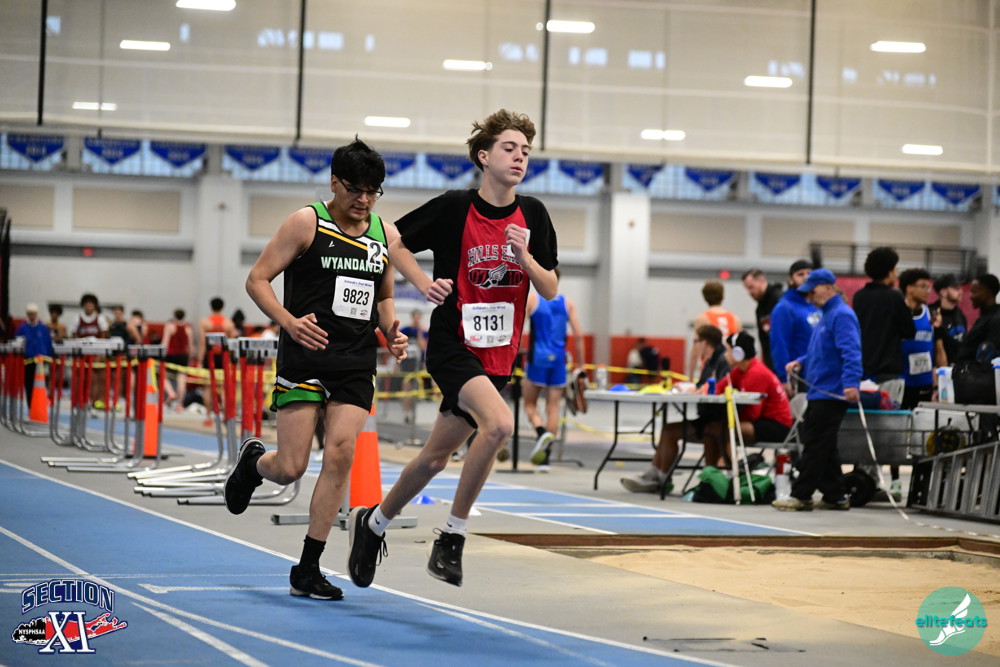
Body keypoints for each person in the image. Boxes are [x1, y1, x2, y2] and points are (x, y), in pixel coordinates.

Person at [347, 109, 559, 589]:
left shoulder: (534, 214)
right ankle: (452, 534)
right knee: (500, 424)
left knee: (434, 458)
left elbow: (549, 288)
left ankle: (372, 523)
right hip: (453, 342)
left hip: (499, 353)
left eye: (526, 151)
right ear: (483, 156)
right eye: (509, 148)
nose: (519, 157)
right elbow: (391, 239)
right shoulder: (454, 207)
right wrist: (423, 284)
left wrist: (525, 257)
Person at [224, 137, 407, 602]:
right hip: (305, 357)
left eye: (372, 191)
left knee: (341, 453)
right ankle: (253, 464)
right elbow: (257, 279)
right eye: (355, 189)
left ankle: (308, 567)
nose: (363, 200)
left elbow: (384, 294)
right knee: (290, 467)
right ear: (334, 182)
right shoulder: (307, 223)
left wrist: (391, 330)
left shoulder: (383, 234)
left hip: (355, 361)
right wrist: (288, 322)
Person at [774, 268, 862, 511]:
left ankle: (801, 495)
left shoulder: (842, 315)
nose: (810, 297)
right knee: (825, 445)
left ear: (828, 287)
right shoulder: (825, 315)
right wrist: (801, 361)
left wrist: (851, 382)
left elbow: (851, 351)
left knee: (815, 444)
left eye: (812, 292)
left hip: (832, 392)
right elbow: (820, 349)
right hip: (819, 390)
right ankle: (836, 495)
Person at [621, 324, 730, 493]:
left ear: (705, 343)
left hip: (715, 419)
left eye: (696, 341)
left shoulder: (722, 360)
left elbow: (718, 387)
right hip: (706, 417)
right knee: (668, 429)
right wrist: (690, 388)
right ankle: (655, 474)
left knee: (670, 432)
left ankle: (661, 479)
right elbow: (702, 386)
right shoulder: (709, 362)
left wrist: (700, 389)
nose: (694, 345)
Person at [524, 279, 585, 469]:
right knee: (553, 407)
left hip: (537, 359)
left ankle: (541, 432)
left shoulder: (532, 300)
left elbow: (517, 328)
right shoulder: (567, 303)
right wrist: (581, 365)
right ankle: (545, 459)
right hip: (558, 360)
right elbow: (579, 336)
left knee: (529, 404)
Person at [852, 247, 915, 407]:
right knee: (888, 418)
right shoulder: (895, 296)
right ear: (889, 271)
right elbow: (909, 331)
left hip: (863, 372)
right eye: (896, 268)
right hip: (888, 373)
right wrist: (907, 310)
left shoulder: (859, 296)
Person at [769, 259, 820, 390]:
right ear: (791, 280)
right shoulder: (784, 308)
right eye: (800, 274)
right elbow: (779, 344)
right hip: (798, 376)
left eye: (809, 273)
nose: (806, 278)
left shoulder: (817, 306)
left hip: (818, 374)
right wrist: (784, 377)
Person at [688, 280, 742, 379]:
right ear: (723, 297)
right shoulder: (735, 319)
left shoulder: (702, 319)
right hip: (731, 371)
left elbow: (695, 350)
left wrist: (690, 378)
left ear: (705, 298)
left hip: (711, 370)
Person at [741, 268, 783, 371]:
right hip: (771, 363)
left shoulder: (779, 301)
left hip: (783, 362)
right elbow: (764, 340)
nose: (749, 292)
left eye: (751, 287)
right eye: (747, 289)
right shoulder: (760, 309)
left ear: (761, 280)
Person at [71, 293, 109, 406]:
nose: (88, 306)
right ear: (83, 305)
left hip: (96, 352)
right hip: (82, 353)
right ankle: (80, 399)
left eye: (91, 304)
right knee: (80, 377)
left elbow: (104, 335)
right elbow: (73, 335)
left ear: (95, 306)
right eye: (86, 304)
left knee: (97, 378)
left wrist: (101, 353)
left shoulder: (100, 318)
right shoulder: (77, 318)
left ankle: (96, 401)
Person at [15, 303, 54, 407]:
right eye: (30, 314)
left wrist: (49, 358)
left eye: (34, 314)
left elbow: (48, 343)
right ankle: (30, 405)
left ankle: (41, 403)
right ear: (27, 314)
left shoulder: (43, 328)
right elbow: (17, 344)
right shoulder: (22, 328)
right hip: (28, 360)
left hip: (41, 360)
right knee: (29, 383)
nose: (32, 316)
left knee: (42, 383)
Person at [956, 274, 1000, 362]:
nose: (971, 297)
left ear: (987, 293)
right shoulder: (984, 317)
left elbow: (986, 357)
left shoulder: (996, 319)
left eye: (974, 292)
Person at [930, 273, 967, 365]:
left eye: (960, 288)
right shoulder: (932, 313)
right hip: (939, 368)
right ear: (943, 292)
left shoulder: (960, 314)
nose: (961, 291)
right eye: (956, 288)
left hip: (958, 367)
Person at [399, 310, 429, 422]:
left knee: (416, 388)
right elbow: (398, 344)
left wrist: (420, 331)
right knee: (406, 387)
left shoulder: (424, 332)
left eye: (418, 318)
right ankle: (406, 412)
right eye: (415, 317)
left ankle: (414, 412)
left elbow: (423, 347)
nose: (416, 320)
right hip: (407, 363)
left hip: (418, 364)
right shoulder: (405, 330)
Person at [162, 309, 194, 411]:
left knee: (164, 376)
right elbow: (190, 346)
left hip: (171, 355)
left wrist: (161, 356)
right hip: (183, 356)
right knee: (182, 380)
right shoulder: (188, 328)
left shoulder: (170, 326)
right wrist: (190, 358)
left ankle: (171, 393)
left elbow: (165, 342)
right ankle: (180, 404)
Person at [197, 297, 236, 368]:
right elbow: (231, 343)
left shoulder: (205, 322)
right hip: (223, 355)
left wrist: (200, 359)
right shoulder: (229, 323)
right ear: (222, 307)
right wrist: (230, 358)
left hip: (209, 354)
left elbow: (202, 342)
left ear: (211, 306)